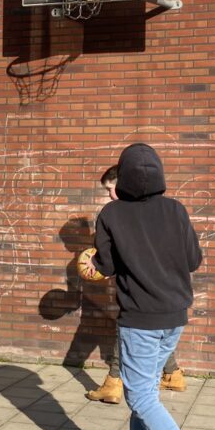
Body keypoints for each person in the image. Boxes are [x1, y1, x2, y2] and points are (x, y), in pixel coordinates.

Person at [83, 143, 215, 430]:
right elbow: (193, 259)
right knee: (145, 392)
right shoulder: (175, 209)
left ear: (124, 177)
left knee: (142, 397)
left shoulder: (111, 214)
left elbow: (107, 265)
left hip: (141, 320)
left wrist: (95, 261)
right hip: (174, 317)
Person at [86, 165, 187, 404]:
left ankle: (114, 382)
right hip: (170, 294)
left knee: (130, 332)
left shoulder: (117, 214)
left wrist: (98, 264)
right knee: (154, 330)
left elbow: (110, 262)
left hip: (140, 293)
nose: (110, 195)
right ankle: (172, 374)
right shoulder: (166, 210)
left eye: (110, 188)